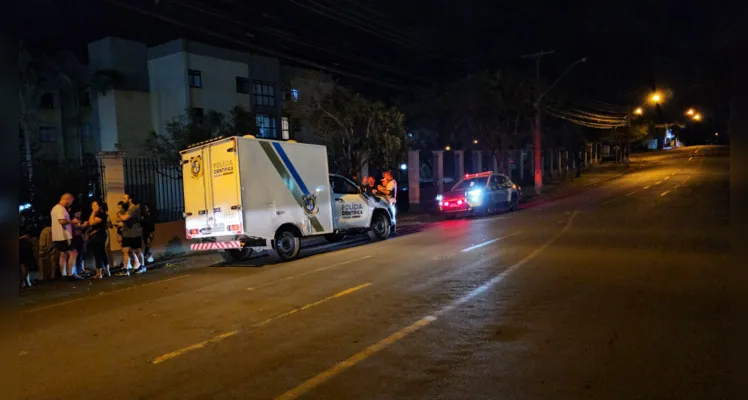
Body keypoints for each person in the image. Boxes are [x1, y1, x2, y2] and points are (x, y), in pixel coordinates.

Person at [51, 193, 82, 280]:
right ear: (67, 199)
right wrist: (72, 221)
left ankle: (64, 273)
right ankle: (71, 274)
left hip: (58, 236)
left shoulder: (55, 208)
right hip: (64, 236)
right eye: (71, 201)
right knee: (73, 253)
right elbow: (62, 221)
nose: (71, 204)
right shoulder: (60, 209)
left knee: (63, 254)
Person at [117, 194, 145, 276]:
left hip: (134, 232)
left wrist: (119, 214)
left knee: (136, 250)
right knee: (125, 250)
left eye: (124, 198)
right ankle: (125, 269)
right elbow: (119, 219)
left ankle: (142, 266)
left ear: (130, 199)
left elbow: (124, 218)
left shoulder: (134, 208)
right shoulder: (126, 209)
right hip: (126, 233)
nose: (123, 200)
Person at [87, 200, 110, 279]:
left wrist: (93, 212)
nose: (93, 207)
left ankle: (99, 273)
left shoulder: (101, 214)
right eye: (92, 205)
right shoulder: (97, 214)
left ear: (99, 206)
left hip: (99, 236)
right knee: (102, 252)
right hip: (96, 235)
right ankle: (106, 271)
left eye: (95, 205)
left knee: (98, 253)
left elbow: (92, 223)